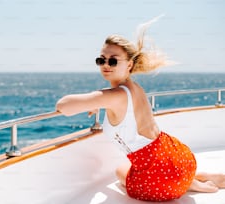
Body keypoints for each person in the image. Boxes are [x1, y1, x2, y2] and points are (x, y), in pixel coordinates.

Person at [55, 16, 225, 201]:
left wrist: (95, 100)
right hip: (181, 158)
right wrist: (98, 102)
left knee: (120, 171)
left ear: (129, 64)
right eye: (101, 60)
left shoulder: (113, 96)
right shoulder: (135, 88)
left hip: (160, 178)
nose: (105, 65)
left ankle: (190, 183)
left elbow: (63, 106)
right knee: (157, 169)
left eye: (113, 61)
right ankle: (193, 180)